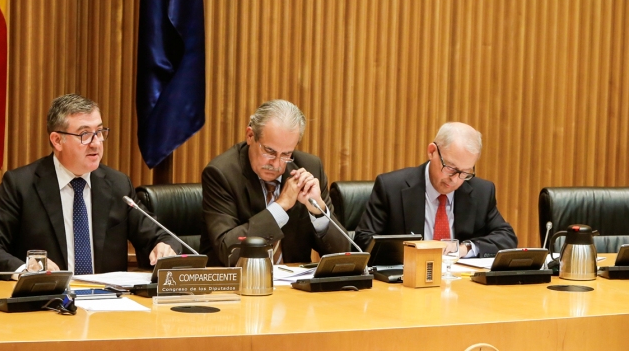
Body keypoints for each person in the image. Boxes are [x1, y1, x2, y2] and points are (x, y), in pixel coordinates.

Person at [0, 94, 181, 277]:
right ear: (57, 140)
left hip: (106, 308)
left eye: (99, 132)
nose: (96, 143)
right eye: (84, 134)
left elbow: (161, 235)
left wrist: (164, 246)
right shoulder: (21, 185)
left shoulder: (117, 185)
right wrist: (25, 269)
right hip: (47, 305)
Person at [200, 100, 350, 266]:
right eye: (269, 151)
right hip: (238, 285)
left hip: (294, 287)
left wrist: (318, 211)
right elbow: (229, 250)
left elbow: (343, 255)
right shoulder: (222, 173)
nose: (277, 164)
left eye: (286, 154)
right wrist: (280, 206)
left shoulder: (309, 168)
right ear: (250, 136)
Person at [354, 122, 517, 258]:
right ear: (432, 151)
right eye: (450, 168)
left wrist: (465, 248)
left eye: (465, 172)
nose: (455, 179)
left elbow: (506, 237)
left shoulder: (481, 191)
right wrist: (419, 251)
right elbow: (363, 242)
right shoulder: (392, 187)